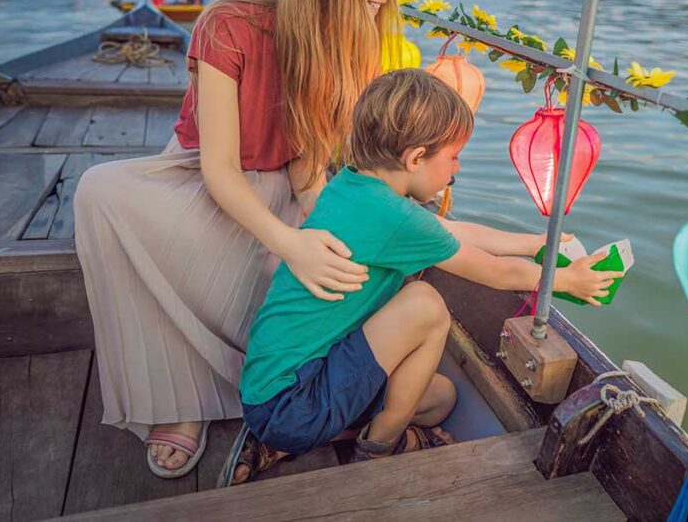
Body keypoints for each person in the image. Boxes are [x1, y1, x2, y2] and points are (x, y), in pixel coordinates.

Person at [73, 0, 404, 479]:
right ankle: (177, 400)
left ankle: (274, 387)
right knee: (99, 192)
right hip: (206, 178)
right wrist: (291, 243)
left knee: (322, 256)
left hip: (280, 181)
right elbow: (220, 169)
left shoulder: (354, 41)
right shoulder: (230, 22)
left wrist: (317, 226)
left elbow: (308, 163)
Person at [231, 70, 619, 483]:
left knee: (439, 398)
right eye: (452, 156)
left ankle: (284, 442)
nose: (455, 169)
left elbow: (455, 231)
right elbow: (498, 273)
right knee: (426, 304)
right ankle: (380, 450)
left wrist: (533, 243)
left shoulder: (353, 185)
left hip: (273, 395)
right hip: (294, 400)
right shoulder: (395, 217)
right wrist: (566, 281)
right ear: (415, 158)